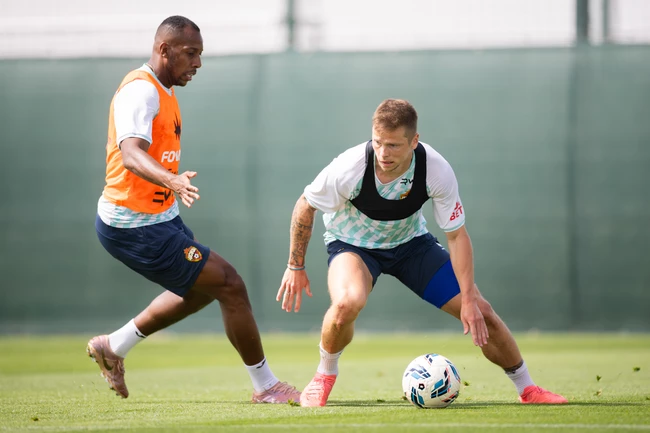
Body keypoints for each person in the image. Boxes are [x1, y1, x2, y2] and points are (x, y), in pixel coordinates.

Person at [276, 99, 568, 407]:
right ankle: (324, 375)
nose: (383, 153)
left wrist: (469, 298)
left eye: (393, 145)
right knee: (347, 303)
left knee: (481, 312)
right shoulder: (349, 167)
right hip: (352, 245)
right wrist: (295, 266)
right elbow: (305, 205)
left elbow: (457, 236)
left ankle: (528, 389)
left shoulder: (435, 169)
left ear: (414, 141)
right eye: (378, 143)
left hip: (411, 246)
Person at [88, 15, 300, 404]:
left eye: (200, 54)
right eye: (190, 53)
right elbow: (131, 154)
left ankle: (113, 346)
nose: (198, 63)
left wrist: (169, 183)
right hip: (133, 224)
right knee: (230, 284)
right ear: (164, 49)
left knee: (204, 289)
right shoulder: (141, 91)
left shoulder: (164, 91)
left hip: (160, 217)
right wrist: (171, 180)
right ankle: (267, 386)